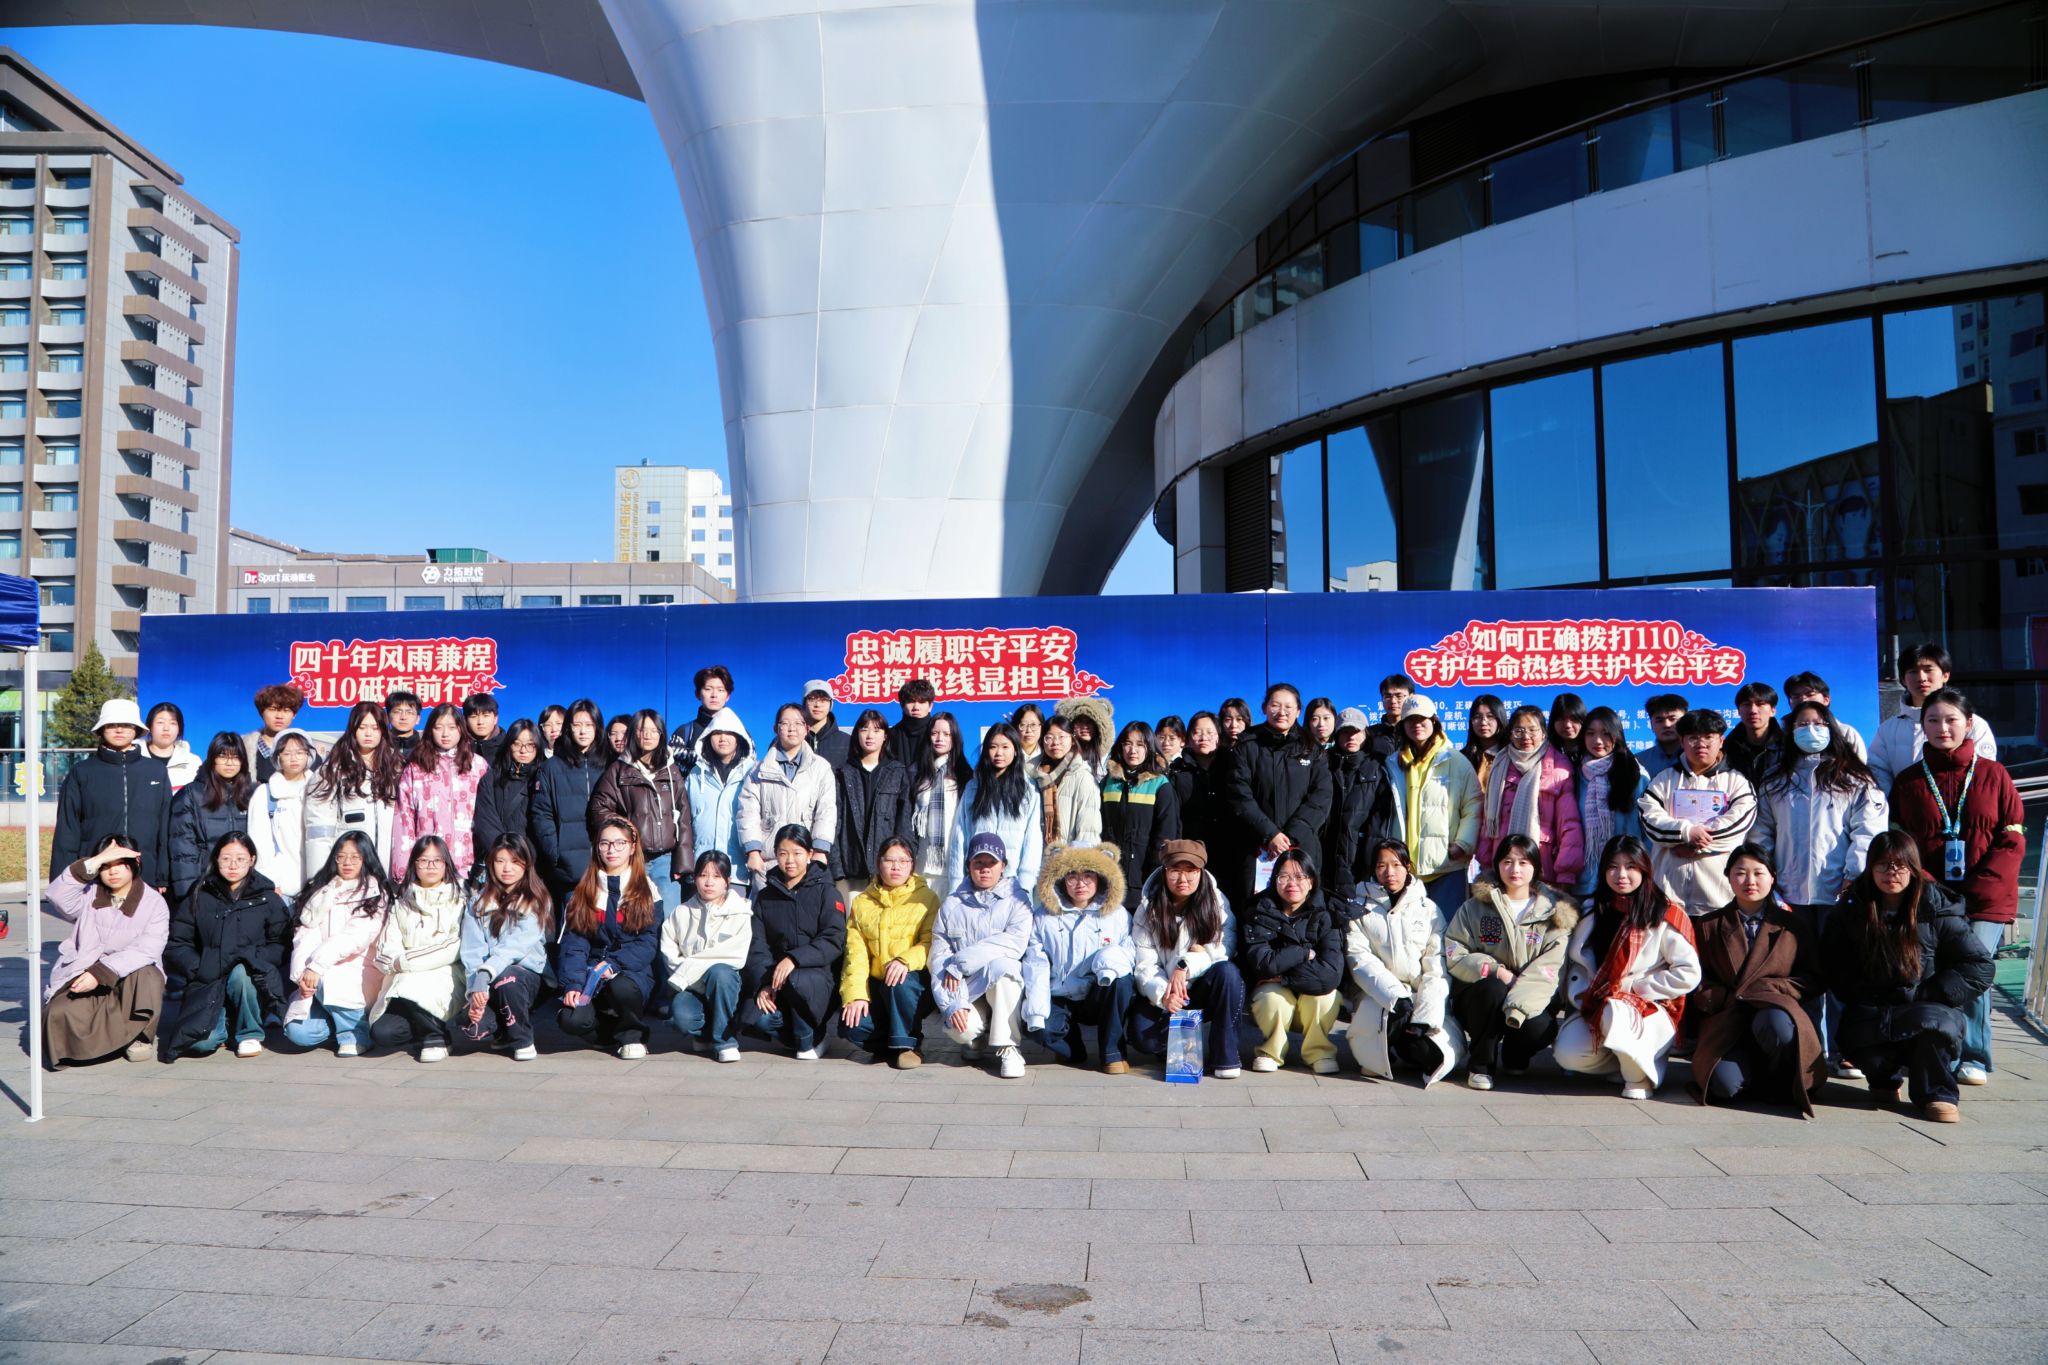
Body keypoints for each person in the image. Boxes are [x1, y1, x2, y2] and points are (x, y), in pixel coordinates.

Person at [1887, 688, 2024, 1086]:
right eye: (1933, 720)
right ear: (1923, 726)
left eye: (1951, 720)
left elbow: (2012, 836)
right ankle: (1936, 1048)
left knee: (1972, 970)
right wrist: (1928, 885)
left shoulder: (1994, 774)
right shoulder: (1909, 781)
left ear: (1969, 723)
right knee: (1929, 971)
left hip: (1985, 896)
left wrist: (1982, 884)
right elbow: (1900, 840)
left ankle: (1975, 1055)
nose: (1942, 728)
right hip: (1929, 895)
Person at [1751, 698, 1886, 1076]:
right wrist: (1767, 873)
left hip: (1839, 892)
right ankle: (1809, 1048)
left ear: (1831, 729)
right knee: (1802, 974)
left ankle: (1844, 1050)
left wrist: (1854, 873)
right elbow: (1762, 831)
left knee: (1842, 973)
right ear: (1790, 732)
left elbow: (1868, 831)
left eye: (1818, 723)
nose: (1810, 731)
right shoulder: (1777, 780)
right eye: (1801, 725)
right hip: (1791, 894)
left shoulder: (1855, 779)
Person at [1823, 832, 1994, 1122]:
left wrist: (1930, 993)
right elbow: (1832, 962)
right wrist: (1859, 992)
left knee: (1932, 1026)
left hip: (1927, 1005)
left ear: (1913, 867)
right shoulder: (1851, 909)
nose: (1891, 872)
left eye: (1900, 865)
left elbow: (1979, 965)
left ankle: (1937, 1094)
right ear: (1870, 867)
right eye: (1882, 865)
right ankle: (1884, 1080)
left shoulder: (1937, 909)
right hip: (1874, 1006)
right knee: (1859, 1036)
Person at [1552, 836, 1702, 1100]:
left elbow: (1689, 973)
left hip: (1648, 1007)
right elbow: (1578, 965)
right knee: (1567, 1053)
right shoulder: (1592, 910)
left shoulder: (1664, 913)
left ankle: (1639, 1076)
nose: (1621, 875)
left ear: (1644, 869)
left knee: (1615, 1008)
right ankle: (1623, 1061)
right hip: (1598, 1005)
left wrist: (1632, 988)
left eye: (1630, 867)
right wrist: (1585, 992)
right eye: (1613, 867)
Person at [1688, 844, 1826, 1114]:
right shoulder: (1709, 925)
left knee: (1776, 1023)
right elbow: (1699, 979)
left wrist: (1772, 988)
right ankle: (1747, 1072)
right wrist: (1721, 997)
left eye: (1758, 873)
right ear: (1728, 877)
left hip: (1774, 1014)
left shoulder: (1792, 925)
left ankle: (1777, 1078)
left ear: (1772, 877)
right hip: (1730, 1018)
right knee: (1724, 1087)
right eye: (1740, 873)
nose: (1750, 881)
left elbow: (1813, 979)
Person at [1444, 835, 1578, 1091]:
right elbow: (1455, 950)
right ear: (1497, 865)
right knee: (1492, 989)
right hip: (1481, 994)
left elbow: (1550, 966)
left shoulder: (1554, 913)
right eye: (1507, 861)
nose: (1515, 869)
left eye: (1523, 862)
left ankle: (1515, 1054)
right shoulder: (1475, 907)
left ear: (1536, 867)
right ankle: (1481, 1065)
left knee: (1540, 1029)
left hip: (1532, 993)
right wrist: (1497, 971)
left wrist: (1516, 1006)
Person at [164, 831, 292, 1059]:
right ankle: (225, 1026)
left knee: (242, 973)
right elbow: (178, 943)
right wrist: (199, 966)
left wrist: (255, 958)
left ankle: (249, 1032)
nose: (233, 865)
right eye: (226, 858)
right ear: (216, 859)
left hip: (251, 980)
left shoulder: (267, 898)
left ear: (252, 860)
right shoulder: (199, 894)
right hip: (208, 978)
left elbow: (281, 943)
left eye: (240, 859)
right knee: (201, 1044)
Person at [42, 836, 168, 1067]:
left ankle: (140, 1036)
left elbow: (148, 949)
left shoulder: (154, 902)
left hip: (129, 979)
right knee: (57, 1013)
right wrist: (95, 860)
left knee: (149, 975)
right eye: (106, 865)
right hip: (87, 972)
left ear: (135, 864)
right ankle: (81, 1049)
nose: (113, 871)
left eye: (120, 863)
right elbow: (56, 896)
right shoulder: (88, 894)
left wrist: (101, 973)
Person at [1346, 840, 1463, 1087]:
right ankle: (1383, 1048)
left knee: (1430, 1056)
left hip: (1420, 998)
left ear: (1408, 866)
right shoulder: (1358, 908)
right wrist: (1396, 997)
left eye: (1396, 865)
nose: (1389, 872)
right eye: (1382, 866)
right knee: (1374, 1060)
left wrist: (1424, 1017)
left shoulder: (1429, 910)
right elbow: (1360, 959)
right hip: (1377, 997)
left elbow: (1437, 966)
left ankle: (1409, 1043)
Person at [1129, 838, 1244, 1078]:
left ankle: (1225, 1057)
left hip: (1201, 986)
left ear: (1200, 872)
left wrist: (1186, 965)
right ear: (1164, 872)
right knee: (1142, 1038)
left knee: (1228, 973)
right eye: (1175, 871)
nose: (1183, 879)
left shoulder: (1216, 902)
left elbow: (1224, 947)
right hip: (1167, 987)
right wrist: (1163, 994)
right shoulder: (1148, 907)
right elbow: (1145, 963)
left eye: (1191, 871)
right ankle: (1180, 1043)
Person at [1022, 838, 1135, 1073]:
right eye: (1072, 876)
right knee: (1037, 1027)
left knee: (1121, 979)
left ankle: (1112, 1052)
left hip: (1097, 991)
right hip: (1060, 993)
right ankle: (1072, 1047)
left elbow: (1128, 955)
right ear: (1061, 878)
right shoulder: (1043, 917)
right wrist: (1036, 1011)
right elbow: (1035, 963)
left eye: (1088, 875)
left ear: (1100, 877)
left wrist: (1109, 962)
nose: (1080, 883)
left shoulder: (1117, 915)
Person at [556, 817, 662, 1060]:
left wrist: (613, 963)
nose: (611, 850)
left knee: (621, 987)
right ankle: (607, 1034)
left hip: (630, 971)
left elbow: (648, 942)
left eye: (619, 843)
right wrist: (573, 984)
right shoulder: (584, 891)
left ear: (632, 847)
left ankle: (633, 1036)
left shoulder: (647, 890)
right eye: (604, 843)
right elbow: (574, 944)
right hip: (590, 970)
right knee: (571, 1019)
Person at [281, 832, 395, 1057]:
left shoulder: (375, 894)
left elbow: (355, 937)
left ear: (366, 859)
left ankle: (355, 1034)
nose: (347, 863)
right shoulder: (322, 891)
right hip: (319, 974)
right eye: (341, 857)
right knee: (299, 1033)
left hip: (359, 971)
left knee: (331, 979)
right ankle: (341, 1023)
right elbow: (305, 934)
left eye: (355, 857)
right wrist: (303, 973)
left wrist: (317, 966)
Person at [932, 831, 1035, 1079]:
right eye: (978, 862)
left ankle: (1008, 1046)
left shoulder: (1018, 901)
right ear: (968, 866)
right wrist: (953, 1003)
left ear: (1003, 866)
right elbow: (938, 959)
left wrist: (961, 963)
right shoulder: (951, 905)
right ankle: (976, 1037)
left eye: (991, 862)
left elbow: (1014, 944)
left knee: (1004, 969)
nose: (985, 869)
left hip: (1001, 984)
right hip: (968, 988)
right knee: (961, 1029)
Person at [1222, 683, 1333, 908]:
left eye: (1288, 707)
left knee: (1303, 907)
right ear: (1265, 708)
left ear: (1298, 711)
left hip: (1301, 845)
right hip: (1257, 847)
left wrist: (1292, 835)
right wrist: (1270, 834)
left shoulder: (1311, 748)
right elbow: (1239, 794)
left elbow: (1321, 795)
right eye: (1275, 705)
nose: (1282, 712)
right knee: (1256, 909)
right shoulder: (1247, 744)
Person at [1638, 708, 1757, 916]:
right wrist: (1686, 832)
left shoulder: (1737, 781)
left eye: (1709, 737)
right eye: (1693, 738)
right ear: (1682, 741)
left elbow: (1739, 823)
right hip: (1668, 896)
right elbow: (1649, 819)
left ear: (1721, 740)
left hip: (1718, 897)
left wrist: (1696, 846)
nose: (1701, 744)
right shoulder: (1664, 779)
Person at [744, 824, 846, 1060]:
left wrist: (794, 959)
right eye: (783, 853)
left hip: (817, 977)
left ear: (810, 854)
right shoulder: (766, 896)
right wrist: (764, 984)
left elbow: (833, 939)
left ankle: (811, 1037)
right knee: (758, 1016)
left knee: (797, 980)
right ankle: (797, 1035)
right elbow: (758, 945)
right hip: (777, 977)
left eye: (797, 853)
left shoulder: (827, 892)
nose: (790, 860)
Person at [51, 698, 173, 894]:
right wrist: (62, 881)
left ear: (136, 730)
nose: (119, 730)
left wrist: (163, 874)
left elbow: (165, 826)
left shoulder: (156, 770)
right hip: (95, 877)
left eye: (126, 724)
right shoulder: (82, 772)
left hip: (145, 874)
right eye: (112, 725)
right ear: (102, 729)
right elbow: (67, 829)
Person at [1240, 847, 1344, 1075]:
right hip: (1276, 993)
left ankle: (1319, 1052)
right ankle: (1271, 1052)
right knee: (1271, 997)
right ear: (1274, 880)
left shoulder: (1327, 912)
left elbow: (1330, 973)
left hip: (1307, 990)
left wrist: (1284, 977)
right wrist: (1302, 953)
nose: (1291, 883)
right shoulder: (1259, 910)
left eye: (1299, 877)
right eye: (1284, 876)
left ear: (1311, 881)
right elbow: (1263, 964)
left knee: (1326, 996)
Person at [366, 835, 468, 1063]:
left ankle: (436, 1037)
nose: (430, 866)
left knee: (412, 983)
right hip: (403, 976)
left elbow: (454, 946)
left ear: (446, 864)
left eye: (437, 860)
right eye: (423, 860)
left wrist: (405, 962)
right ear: (414, 864)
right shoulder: (401, 903)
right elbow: (385, 950)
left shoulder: (460, 900)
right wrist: (399, 963)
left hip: (446, 972)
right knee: (383, 1033)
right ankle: (426, 1028)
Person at [840, 836, 939, 1068]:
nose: (896, 867)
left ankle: (908, 1045)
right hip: (878, 985)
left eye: (903, 861)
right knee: (852, 1026)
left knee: (898, 982)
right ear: (878, 863)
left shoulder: (927, 899)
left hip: (913, 982)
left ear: (912, 865)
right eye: (889, 860)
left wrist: (905, 961)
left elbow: (931, 942)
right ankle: (893, 1040)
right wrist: (856, 995)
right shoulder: (862, 902)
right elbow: (855, 955)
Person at [1385, 695, 1482, 917]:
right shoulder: (1393, 763)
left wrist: (1462, 844)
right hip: (1406, 868)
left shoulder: (1456, 761)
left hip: (1446, 867)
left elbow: (1474, 806)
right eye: (1410, 720)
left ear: (1434, 722)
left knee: (1448, 929)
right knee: (1409, 932)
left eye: (1423, 719)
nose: (1417, 725)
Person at [460, 834, 553, 1061]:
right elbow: (472, 950)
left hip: (527, 976)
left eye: (514, 861)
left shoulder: (537, 899)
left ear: (526, 864)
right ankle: (503, 1029)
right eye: (500, 861)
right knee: (471, 1025)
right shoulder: (477, 902)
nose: (507, 868)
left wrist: (486, 973)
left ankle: (523, 1040)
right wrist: (475, 990)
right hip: (487, 977)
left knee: (507, 979)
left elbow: (515, 947)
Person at [1476, 704, 1584, 893]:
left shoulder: (1559, 768)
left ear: (1544, 733)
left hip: (1543, 867)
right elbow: (1488, 823)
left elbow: (1569, 824)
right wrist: (1486, 863)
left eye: (1533, 730)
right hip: (1503, 868)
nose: (1526, 737)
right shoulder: (1499, 765)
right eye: (1519, 731)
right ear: (1510, 735)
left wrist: (1566, 872)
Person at [589, 708, 694, 901]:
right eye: (641, 730)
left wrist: (683, 861)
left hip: (666, 861)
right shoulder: (619, 769)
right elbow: (599, 807)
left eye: (654, 730)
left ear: (661, 734)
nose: (647, 735)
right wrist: (625, 829)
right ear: (633, 733)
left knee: (668, 915)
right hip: (632, 859)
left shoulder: (671, 770)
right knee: (634, 914)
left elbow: (684, 816)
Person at [663, 849, 754, 1061]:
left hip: (728, 987)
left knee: (720, 972)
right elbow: (669, 953)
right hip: (693, 987)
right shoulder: (681, 912)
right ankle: (704, 1033)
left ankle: (725, 1040)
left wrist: (690, 967)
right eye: (703, 875)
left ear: (727, 881)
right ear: (695, 879)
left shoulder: (741, 912)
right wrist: (693, 978)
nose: (709, 882)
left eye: (716, 876)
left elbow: (736, 955)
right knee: (681, 1016)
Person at [1869, 643, 1998, 791]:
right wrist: (1895, 800)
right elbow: (1877, 772)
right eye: (1913, 671)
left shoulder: (1972, 724)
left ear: (1945, 675)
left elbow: (1984, 773)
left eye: (1928, 670)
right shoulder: (1888, 730)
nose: (1921, 678)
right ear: (1903, 680)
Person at [740, 703, 839, 884]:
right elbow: (748, 812)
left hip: (807, 860)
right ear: (776, 728)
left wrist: (820, 850)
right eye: (785, 723)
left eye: (798, 723)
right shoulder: (758, 770)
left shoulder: (821, 768)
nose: (792, 729)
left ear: (807, 729)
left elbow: (826, 811)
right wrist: (753, 851)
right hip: (769, 861)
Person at [391, 703, 488, 880]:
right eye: (438, 728)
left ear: (461, 729)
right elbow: (404, 818)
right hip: (428, 864)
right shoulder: (416, 767)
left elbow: (489, 815)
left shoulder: (478, 766)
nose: (445, 734)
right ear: (430, 730)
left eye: (452, 727)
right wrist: (402, 868)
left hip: (469, 865)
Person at [302, 700, 399, 875]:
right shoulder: (331, 770)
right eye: (362, 727)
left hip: (390, 871)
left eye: (375, 728)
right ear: (352, 729)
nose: (368, 733)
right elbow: (319, 828)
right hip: (348, 870)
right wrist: (318, 878)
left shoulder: (397, 768)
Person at [948, 721, 1044, 892]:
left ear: (1016, 750)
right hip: (976, 880)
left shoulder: (1028, 789)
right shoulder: (973, 787)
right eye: (993, 747)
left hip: (1012, 885)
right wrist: (956, 882)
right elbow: (960, 835)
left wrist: (1025, 886)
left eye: (1005, 747)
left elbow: (1033, 840)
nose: (999, 753)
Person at [530, 698, 609, 904]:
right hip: (569, 871)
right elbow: (541, 814)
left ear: (598, 728)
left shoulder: (609, 765)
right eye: (577, 725)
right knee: (572, 923)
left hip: (607, 865)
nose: (583, 731)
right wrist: (556, 854)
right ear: (569, 728)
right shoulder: (551, 768)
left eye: (589, 725)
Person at [1099, 721, 1180, 910]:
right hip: (1109, 876)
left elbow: (1166, 835)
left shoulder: (1160, 784)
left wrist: (1154, 876)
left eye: (1140, 744)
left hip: (1144, 879)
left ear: (1149, 747)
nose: (1132, 750)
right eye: (1127, 744)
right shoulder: (1108, 782)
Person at [833, 709, 912, 897]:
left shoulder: (897, 772)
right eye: (864, 729)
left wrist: (902, 862)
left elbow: (904, 822)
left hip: (887, 869)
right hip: (851, 868)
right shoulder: (843, 773)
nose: (870, 736)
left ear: (885, 736)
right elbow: (835, 822)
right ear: (857, 734)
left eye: (877, 730)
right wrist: (836, 867)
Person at [168, 731, 251, 904]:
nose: (229, 763)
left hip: (244, 887)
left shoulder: (252, 794)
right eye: (223, 756)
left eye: (235, 757)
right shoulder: (191, 794)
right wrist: (189, 895)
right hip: (204, 886)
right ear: (212, 758)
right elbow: (183, 850)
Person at [1574, 707, 1646, 900]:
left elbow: (1646, 829)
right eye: (1591, 733)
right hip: (1585, 878)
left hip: (1626, 878)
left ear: (1617, 735)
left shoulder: (1634, 773)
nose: (1597, 741)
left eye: (1606, 733)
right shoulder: (1576, 774)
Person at [686, 709, 757, 887]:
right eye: (717, 733)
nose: (723, 738)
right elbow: (685, 820)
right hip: (701, 871)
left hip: (737, 871)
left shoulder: (753, 772)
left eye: (729, 733)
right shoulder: (695, 774)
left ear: (739, 738)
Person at [910, 712, 972, 898]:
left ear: (955, 738)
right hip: (922, 862)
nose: (939, 739)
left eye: (946, 734)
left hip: (954, 862)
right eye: (934, 733)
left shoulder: (964, 775)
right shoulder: (917, 774)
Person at [247, 729, 314, 898]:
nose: (294, 758)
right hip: (281, 888)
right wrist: (271, 881)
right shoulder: (265, 793)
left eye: (300, 752)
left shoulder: (321, 790)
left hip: (316, 884)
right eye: (287, 753)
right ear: (278, 758)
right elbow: (259, 841)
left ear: (309, 756)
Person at [473, 719, 543, 877]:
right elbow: (485, 821)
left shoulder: (544, 777)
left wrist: (526, 857)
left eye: (530, 745)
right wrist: (506, 857)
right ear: (508, 745)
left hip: (535, 865)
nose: (523, 750)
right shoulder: (491, 778)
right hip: (501, 864)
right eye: (517, 744)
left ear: (538, 746)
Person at [1034, 714, 1103, 849]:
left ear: (1072, 740)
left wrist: (1078, 862)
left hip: (1067, 858)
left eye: (1062, 736)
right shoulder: (1035, 775)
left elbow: (1088, 831)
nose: (1055, 742)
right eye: (1049, 737)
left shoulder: (1083, 777)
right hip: (1037, 858)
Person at [1171, 711, 1227, 857]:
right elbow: (1172, 818)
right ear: (1189, 739)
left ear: (1219, 738)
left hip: (1228, 849)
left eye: (1210, 733)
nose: (1203, 738)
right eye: (1197, 733)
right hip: (1190, 852)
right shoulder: (1177, 772)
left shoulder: (1231, 769)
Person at [242, 682, 317, 783]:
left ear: (294, 715)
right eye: (273, 709)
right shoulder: (242, 748)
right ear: (261, 713)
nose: (279, 716)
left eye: (286, 710)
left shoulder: (306, 751)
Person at [1782, 672, 1866, 758]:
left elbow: (1859, 764)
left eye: (1810, 694)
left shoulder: (1846, 734)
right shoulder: (1779, 733)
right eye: (1796, 696)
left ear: (1826, 700)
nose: (1803, 700)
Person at [669, 664, 738, 765]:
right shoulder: (683, 732)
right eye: (708, 689)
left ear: (728, 696)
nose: (714, 695)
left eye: (720, 690)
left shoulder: (740, 734)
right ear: (697, 694)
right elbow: (672, 771)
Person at [1725, 682, 1782, 786]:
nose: (1753, 710)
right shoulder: (1727, 748)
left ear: (1773, 711)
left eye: (1760, 704)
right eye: (1746, 704)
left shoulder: (1788, 746)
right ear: (1738, 711)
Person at [1056, 696, 1115, 784]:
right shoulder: (1061, 754)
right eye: (1080, 721)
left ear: (1098, 726)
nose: (1085, 726)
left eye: (1090, 721)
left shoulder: (1109, 758)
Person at [882, 677, 936, 770]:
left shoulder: (939, 733)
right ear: (902, 705)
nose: (916, 707)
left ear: (930, 706)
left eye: (922, 702)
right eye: (911, 701)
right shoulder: (891, 735)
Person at [1460, 694, 1508, 797]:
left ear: (1500, 719)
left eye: (1490, 716)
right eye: (1477, 717)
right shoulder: (1462, 758)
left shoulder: (1510, 756)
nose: (1483, 722)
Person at [145, 701, 200, 790]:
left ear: (179, 729)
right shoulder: (134, 759)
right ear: (149, 727)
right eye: (160, 722)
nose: (166, 728)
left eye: (172, 723)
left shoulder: (193, 762)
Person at [1634, 693, 1690, 780]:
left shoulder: (1698, 757)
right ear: (1651, 725)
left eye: (1672, 719)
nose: (1667, 725)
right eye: (1660, 720)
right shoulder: (1638, 761)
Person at [801, 680, 851, 770]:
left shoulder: (847, 742)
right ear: (804, 703)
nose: (817, 704)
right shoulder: (791, 739)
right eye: (812, 699)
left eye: (824, 700)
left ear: (831, 704)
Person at [1365, 675, 1414, 760]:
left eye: (1399, 696)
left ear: (1411, 697)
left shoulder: (1417, 730)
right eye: (1387, 696)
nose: (1393, 701)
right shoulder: (1370, 733)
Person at [463, 693, 507, 767]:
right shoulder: (458, 746)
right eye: (473, 716)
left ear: (495, 718)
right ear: (465, 720)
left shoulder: (508, 745)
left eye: (486, 716)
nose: (480, 722)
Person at [1546, 693, 1588, 765]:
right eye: (1561, 718)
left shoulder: (1594, 749)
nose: (1568, 725)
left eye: (1574, 719)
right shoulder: (1544, 751)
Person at [385, 689, 424, 758]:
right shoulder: (380, 743)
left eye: (409, 712)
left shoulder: (425, 744)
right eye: (397, 712)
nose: (403, 717)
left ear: (418, 719)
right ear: (388, 717)